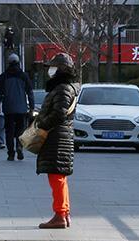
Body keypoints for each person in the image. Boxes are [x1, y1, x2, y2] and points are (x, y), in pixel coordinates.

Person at [35, 53, 81, 230]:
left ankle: (60, 215)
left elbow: (59, 114)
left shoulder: (63, 89)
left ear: (62, 69)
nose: (50, 70)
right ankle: (64, 213)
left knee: (57, 178)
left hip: (57, 137)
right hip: (61, 137)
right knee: (59, 177)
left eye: (54, 67)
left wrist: (42, 123)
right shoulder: (66, 88)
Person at [0, 53, 34, 161]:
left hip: (8, 108)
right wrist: (31, 107)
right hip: (21, 108)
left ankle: (10, 153)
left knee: (9, 131)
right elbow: (30, 92)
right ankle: (19, 146)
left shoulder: (4, 76)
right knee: (20, 130)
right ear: (18, 62)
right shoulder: (24, 76)